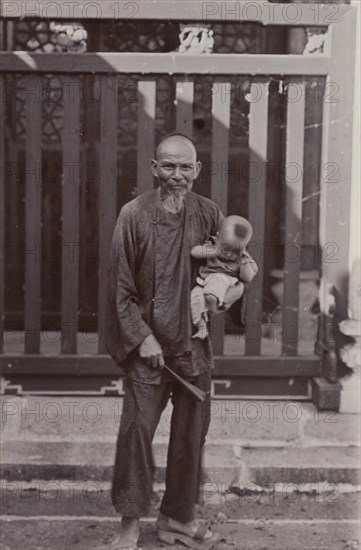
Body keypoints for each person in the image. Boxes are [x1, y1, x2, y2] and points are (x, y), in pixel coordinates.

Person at [105, 133, 245, 550]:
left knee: (190, 436)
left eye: (185, 167)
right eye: (168, 166)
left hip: (193, 348)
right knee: (136, 434)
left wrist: (222, 296)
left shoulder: (208, 214)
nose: (177, 176)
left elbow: (231, 268)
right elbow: (119, 289)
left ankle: (176, 519)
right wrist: (141, 337)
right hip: (148, 350)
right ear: (153, 168)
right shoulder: (133, 215)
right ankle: (130, 523)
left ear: (197, 170)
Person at [190, 215, 258, 339]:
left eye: (233, 250)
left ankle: (212, 299)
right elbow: (194, 252)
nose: (228, 253)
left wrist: (244, 263)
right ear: (218, 236)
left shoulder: (243, 255)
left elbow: (249, 276)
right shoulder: (212, 243)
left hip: (226, 281)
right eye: (226, 247)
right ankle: (201, 327)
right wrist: (213, 251)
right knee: (194, 297)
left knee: (218, 279)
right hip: (204, 281)